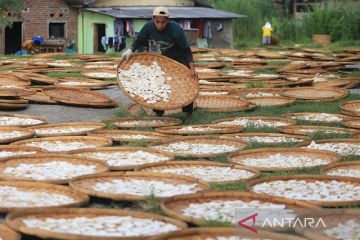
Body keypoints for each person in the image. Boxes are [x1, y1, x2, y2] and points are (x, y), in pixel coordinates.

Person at [122, 6, 198, 121]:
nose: (160, 25)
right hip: (166, 59)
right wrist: (130, 50)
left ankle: (188, 112)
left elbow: (186, 49)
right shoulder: (149, 27)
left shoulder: (176, 29)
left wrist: (192, 68)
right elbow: (139, 39)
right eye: (157, 22)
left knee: (185, 85)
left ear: (168, 20)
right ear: (153, 19)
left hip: (181, 59)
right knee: (161, 83)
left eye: (163, 22)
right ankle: (158, 111)